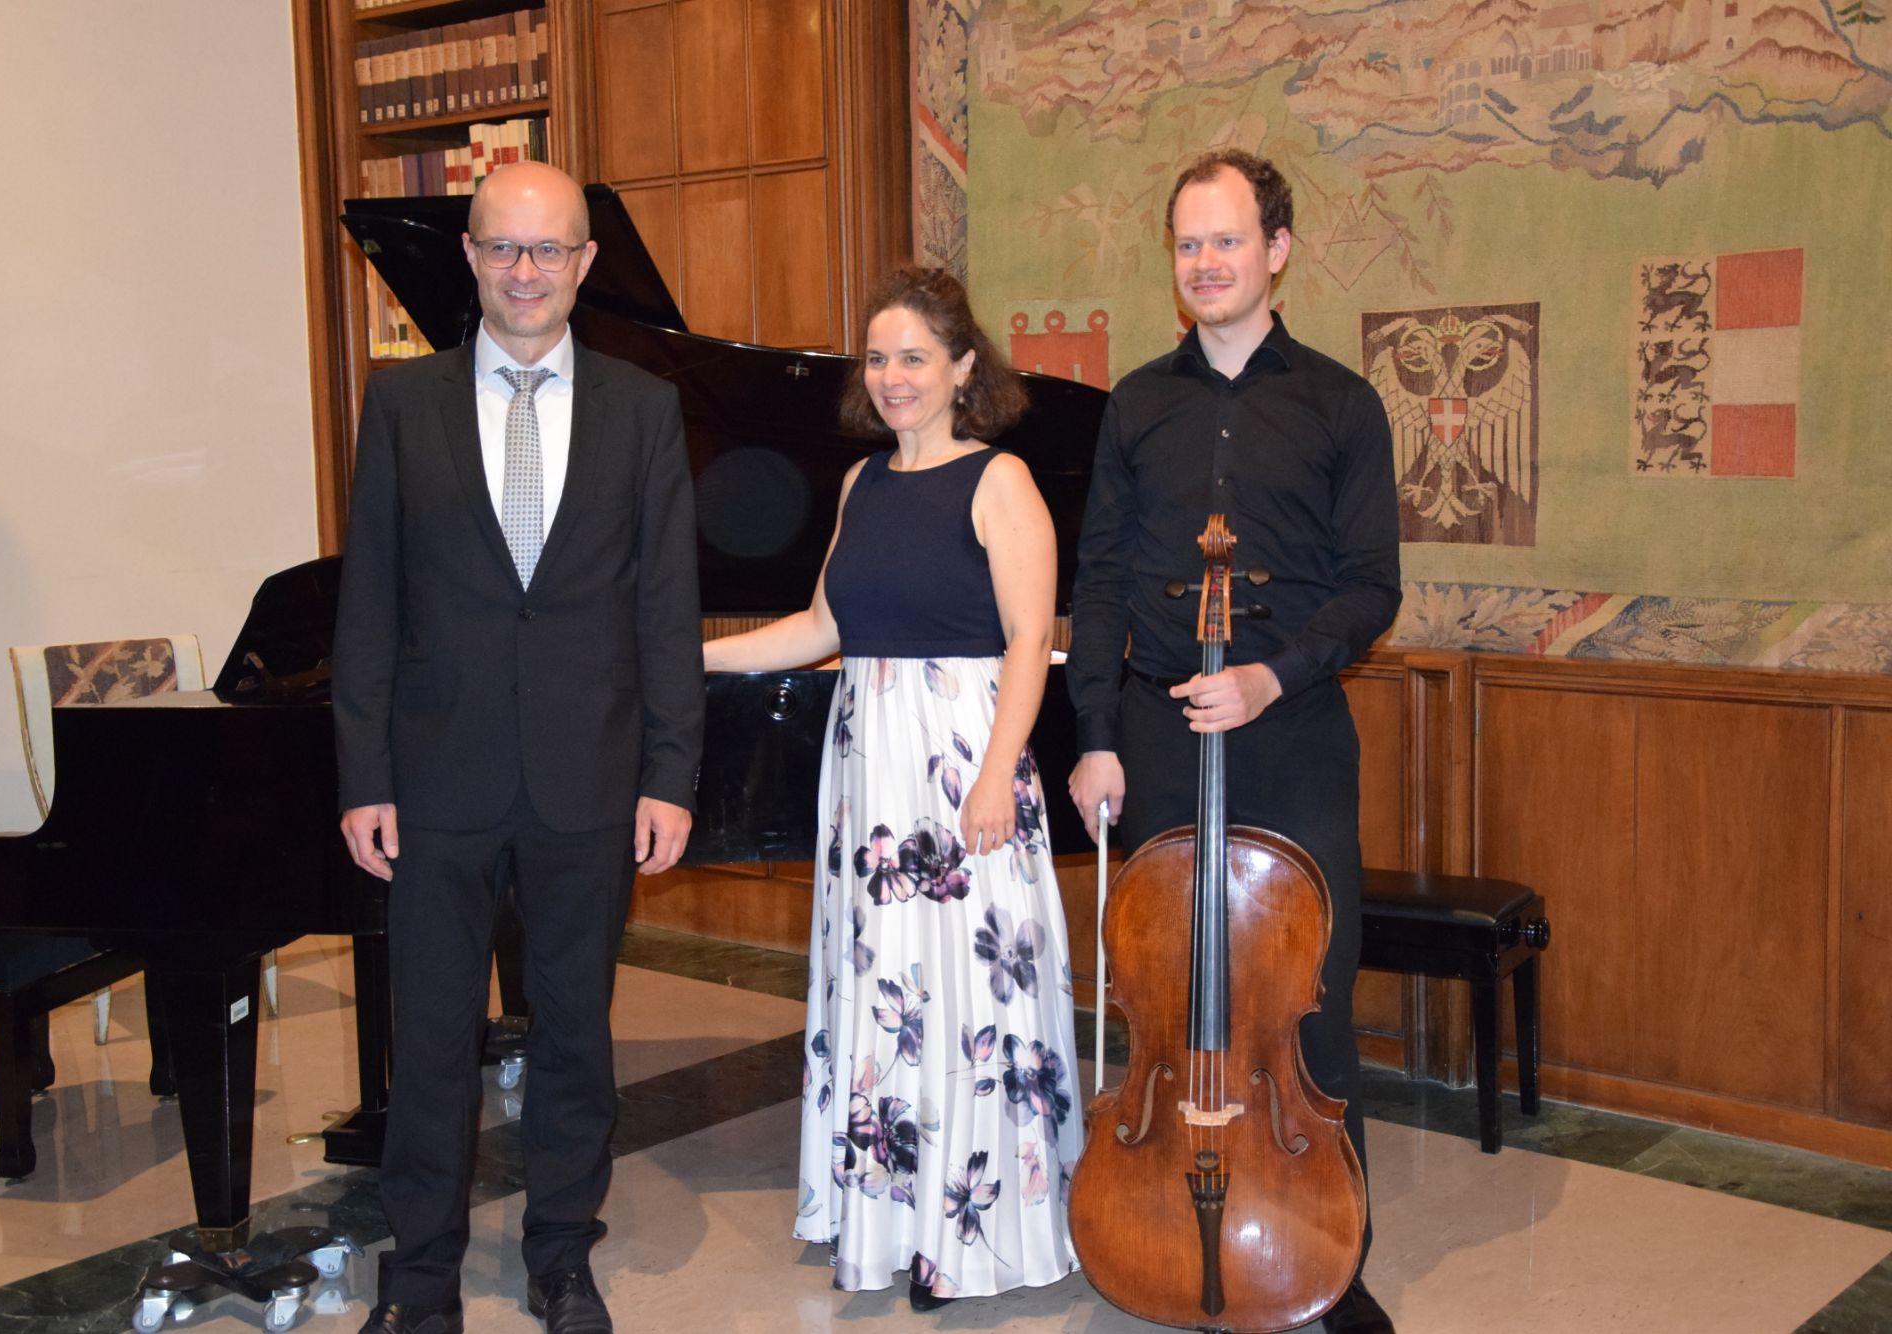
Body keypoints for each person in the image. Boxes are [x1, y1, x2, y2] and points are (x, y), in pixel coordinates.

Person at [333, 160, 704, 1334]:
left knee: (573, 1039)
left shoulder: (642, 408)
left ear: (585, 262)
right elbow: (368, 605)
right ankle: (421, 1274)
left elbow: (665, 609)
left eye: (548, 249)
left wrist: (670, 774)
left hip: (587, 776)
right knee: (431, 1042)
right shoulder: (403, 404)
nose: (526, 270)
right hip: (436, 779)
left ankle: (560, 1258)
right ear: (471, 256)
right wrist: (363, 775)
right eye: (503, 246)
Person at [1065, 148, 1402, 1334]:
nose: (1204, 261)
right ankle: (1169, 1225)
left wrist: (1268, 673)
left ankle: (1333, 1262)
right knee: (1167, 1002)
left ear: (1276, 249)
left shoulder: (1339, 404)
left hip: (1291, 731)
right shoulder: (1135, 406)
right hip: (1157, 734)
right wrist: (1094, 733)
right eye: (1187, 242)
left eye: (1225, 239)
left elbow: (1369, 586)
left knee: (1304, 1007)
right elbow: (1099, 578)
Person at [704, 268, 1081, 1310]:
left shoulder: (999, 479)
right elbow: (821, 627)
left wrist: (997, 773)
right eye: (877, 358)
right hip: (870, 770)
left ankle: (972, 1232)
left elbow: (1029, 638)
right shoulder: (860, 483)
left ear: (963, 367)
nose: (892, 376)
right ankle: (891, 1225)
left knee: (969, 1001)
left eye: (914, 356)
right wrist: (694, 657)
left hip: (964, 763)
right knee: (890, 995)